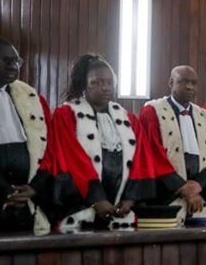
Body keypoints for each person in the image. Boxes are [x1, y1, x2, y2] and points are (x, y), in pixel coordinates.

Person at [129, 65, 206, 225]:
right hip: (165, 195)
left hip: (202, 194)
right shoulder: (152, 111)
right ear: (171, 82)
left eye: (194, 83)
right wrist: (185, 190)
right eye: (183, 82)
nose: (189, 86)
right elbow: (152, 154)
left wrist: (198, 185)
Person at [44, 55, 140, 231]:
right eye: (97, 82)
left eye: (109, 82)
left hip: (122, 209)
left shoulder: (129, 118)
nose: (105, 87)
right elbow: (71, 158)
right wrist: (97, 198)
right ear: (84, 85)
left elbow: (141, 158)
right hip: (80, 205)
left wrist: (130, 198)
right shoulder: (66, 115)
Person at [0, 35, 52, 233]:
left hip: (29, 201)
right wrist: (3, 189)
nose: (13, 65)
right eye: (6, 60)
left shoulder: (33, 98)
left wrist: (36, 187)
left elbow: (50, 147)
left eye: (17, 60)